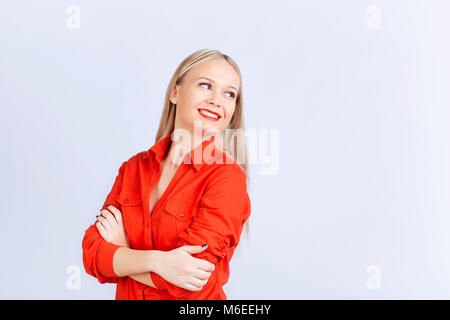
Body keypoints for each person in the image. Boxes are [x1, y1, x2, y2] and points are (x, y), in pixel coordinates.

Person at [82, 49, 251, 300]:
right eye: (205, 85)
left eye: (229, 94)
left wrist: (124, 253)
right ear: (175, 92)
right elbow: (92, 254)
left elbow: (191, 281)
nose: (217, 100)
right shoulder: (133, 169)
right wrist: (157, 261)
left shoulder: (226, 178)